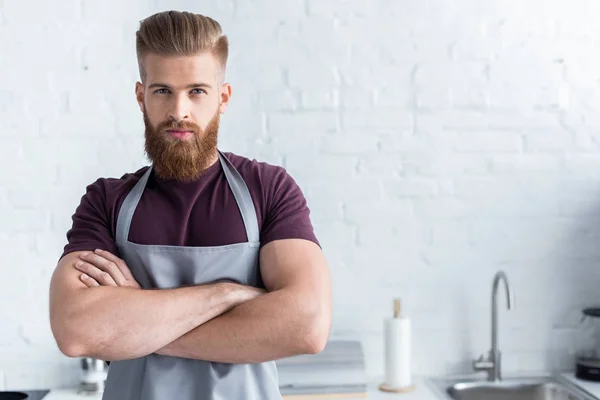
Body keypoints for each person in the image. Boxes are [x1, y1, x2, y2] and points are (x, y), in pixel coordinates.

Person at [48, 10, 332, 400]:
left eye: (197, 90)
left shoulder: (268, 190)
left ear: (223, 98)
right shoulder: (106, 202)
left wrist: (135, 329)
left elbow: (308, 325)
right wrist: (228, 294)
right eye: (162, 90)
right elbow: (76, 331)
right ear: (140, 96)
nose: (179, 110)